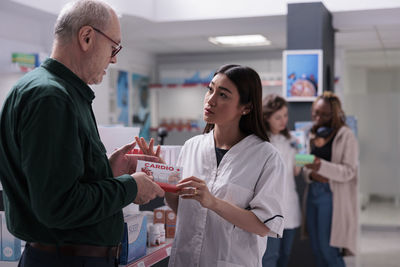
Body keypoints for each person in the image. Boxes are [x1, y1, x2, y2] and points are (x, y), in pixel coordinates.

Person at [0, 1, 164, 267]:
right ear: (86, 37)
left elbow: (58, 186)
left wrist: (107, 171)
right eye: (114, 47)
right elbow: (59, 206)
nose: (114, 58)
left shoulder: (55, 91)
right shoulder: (51, 97)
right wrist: (131, 186)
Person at [136, 64, 286, 267]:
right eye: (210, 89)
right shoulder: (192, 147)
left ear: (246, 107)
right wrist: (165, 178)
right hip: (185, 260)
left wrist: (213, 202)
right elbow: (183, 209)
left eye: (223, 95)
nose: (211, 100)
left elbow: (263, 226)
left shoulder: (266, 157)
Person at [302, 91, 359, 267]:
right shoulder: (310, 133)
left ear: (334, 114)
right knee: (316, 248)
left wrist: (321, 166)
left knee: (329, 250)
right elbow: (303, 162)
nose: (318, 118)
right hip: (313, 192)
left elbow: (350, 171)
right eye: (315, 113)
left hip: (332, 195)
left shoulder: (345, 135)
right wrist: (311, 174)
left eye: (324, 114)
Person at [261, 94, 302, 267]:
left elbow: (297, 171)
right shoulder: (261, 142)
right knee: (270, 256)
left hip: (290, 206)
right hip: (269, 208)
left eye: (285, 115)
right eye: (278, 117)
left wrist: (303, 150)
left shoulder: (293, 140)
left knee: (285, 255)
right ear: (267, 117)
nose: (283, 120)